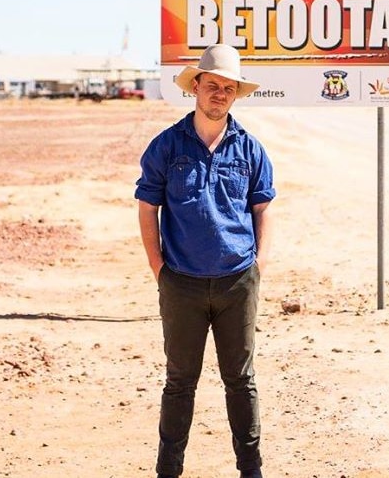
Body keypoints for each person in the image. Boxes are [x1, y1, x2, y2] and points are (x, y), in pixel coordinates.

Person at [135, 44, 275, 478]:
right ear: (195, 87)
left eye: (227, 88)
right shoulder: (166, 146)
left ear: (235, 94)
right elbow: (147, 207)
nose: (219, 94)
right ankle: (168, 470)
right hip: (181, 283)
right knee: (180, 382)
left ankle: (250, 470)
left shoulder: (250, 149)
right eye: (212, 85)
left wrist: (257, 267)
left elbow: (263, 209)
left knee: (241, 381)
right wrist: (160, 270)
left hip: (237, 282)